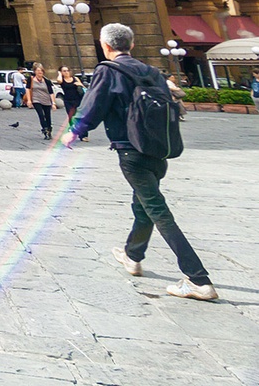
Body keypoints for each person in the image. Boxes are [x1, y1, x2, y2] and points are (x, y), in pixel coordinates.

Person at [63, 23, 217, 302]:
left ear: (105, 46)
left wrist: (75, 131)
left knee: (157, 210)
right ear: (131, 45)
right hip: (159, 150)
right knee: (143, 205)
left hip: (130, 152)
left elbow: (93, 104)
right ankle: (133, 255)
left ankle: (198, 280)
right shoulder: (152, 72)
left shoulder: (108, 71)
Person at [28, 63, 55, 141]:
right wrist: (29, 100)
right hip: (36, 100)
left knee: (48, 116)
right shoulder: (31, 79)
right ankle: (45, 130)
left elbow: (51, 92)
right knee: (41, 115)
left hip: (46, 100)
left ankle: (49, 129)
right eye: (38, 70)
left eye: (41, 71)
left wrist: (53, 103)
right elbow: (28, 89)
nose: (40, 72)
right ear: (35, 71)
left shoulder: (47, 81)